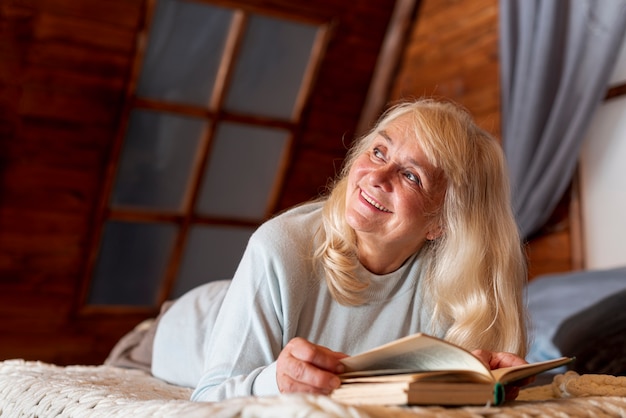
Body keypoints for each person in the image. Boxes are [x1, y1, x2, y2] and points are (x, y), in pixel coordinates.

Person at [150, 97, 529, 402]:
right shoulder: (280, 246)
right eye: (380, 151)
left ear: (443, 222)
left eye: (411, 175)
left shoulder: (462, 284)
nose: (375, 177)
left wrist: (486, 383)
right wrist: (275, 381)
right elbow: (209, 397)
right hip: (187, 328)